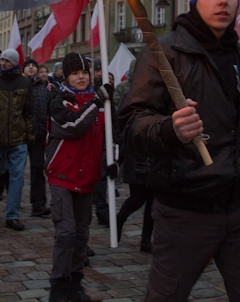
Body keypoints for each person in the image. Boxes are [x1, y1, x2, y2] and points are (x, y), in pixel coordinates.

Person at [119, 0, 240, 301]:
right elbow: (132, 121)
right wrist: (169, 129)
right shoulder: (166, 52)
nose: (222, 0)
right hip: (186, 211)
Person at [46, 52, 111, 302]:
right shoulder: (59, 100)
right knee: (66, 233)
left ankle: (75, 284)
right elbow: (73, 127)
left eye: (84, 73)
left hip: (87, 177)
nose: (81, 77)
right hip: (62, 174)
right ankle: (59, 288)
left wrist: (113, 160)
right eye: (76, 73)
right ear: (67, 76)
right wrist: (96, 103)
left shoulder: (98, 102)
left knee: (82, 235)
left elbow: (109, 133)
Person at [0, 48, 33, 231]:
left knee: (17, 177)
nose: (4, 63)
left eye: (8, 61)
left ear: (15, 63)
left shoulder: (24, 82)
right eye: (2, 60)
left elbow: (28, 110)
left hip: (18, 138)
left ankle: (12, 215)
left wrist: (30, 134)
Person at [115, 60, 153, 253]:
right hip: (135, 154)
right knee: (138, 198)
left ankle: (146, 240)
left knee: (153, 201)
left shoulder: (158, 95)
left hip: (154, 153)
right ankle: (119, 219)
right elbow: (120, 126)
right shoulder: (127, 95)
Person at [24, 57, 51, 217]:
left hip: (38, 135)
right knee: (13, 171)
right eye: (29, 65)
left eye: (34, 65)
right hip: (20, 135)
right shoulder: (19, 85)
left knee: (37, 170)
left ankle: (38, 204)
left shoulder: (44, 88)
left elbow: (49, 110)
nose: (32, 68)